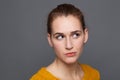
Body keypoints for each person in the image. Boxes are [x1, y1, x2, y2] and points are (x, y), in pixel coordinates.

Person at [30, 3, 100, 80]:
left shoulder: (93, 75)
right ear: (50, 40)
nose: (69, 45)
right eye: (60, 37)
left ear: (85, 35)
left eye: (75, 35)